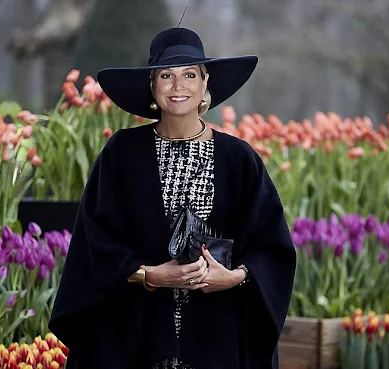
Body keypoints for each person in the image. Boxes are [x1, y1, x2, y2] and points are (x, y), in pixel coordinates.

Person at [48, 26, 296, 369]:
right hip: (136, 337)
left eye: (190, 74)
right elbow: (95, 241)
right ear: (152, 85)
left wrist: (235, 276)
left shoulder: (239, 159)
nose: (179, 86)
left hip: (219, 338)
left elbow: (273, 246)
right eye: (167, 75)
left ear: (205, 82)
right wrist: (149, 274)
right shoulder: (122, 154)